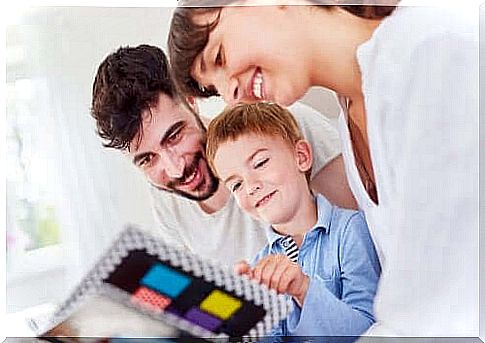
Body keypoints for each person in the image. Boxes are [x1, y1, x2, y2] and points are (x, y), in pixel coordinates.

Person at [167, 1, 479, 336]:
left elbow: (438, 303)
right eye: (216, 89)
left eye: (219, 57)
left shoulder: (429, 54)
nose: (231, 95)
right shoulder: (352, 116)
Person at [90, 44, 356, 267]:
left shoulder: (279, 127)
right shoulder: (164, 202)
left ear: (190, 99)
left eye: (174, 136)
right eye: (148, 159)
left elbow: (365, 239)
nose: (175, 169)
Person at [205, 102, 380, 338]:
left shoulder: (350, 231)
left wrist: (303, 290)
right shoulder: (260, 266)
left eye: (260, 163)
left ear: (301, 157)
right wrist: (242, 318)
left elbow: (367, 330)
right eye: (236, 184)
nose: (251, 186)